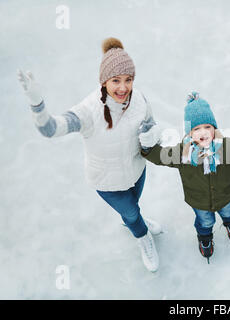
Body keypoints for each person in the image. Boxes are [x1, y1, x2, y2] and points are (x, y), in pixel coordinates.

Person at [17, 37, 162, 272]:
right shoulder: (88, 111)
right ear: (103, 81)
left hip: (137, 171)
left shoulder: (140, 99)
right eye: (116, 80)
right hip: (108, 182)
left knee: (133, 207)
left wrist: (152, 135)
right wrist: (37, 104)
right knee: (132, 213)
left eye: (128, 80)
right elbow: (50, 129)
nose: (123, 88)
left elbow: (152, 125)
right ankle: (142, 236)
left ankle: (135, 222)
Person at [138, 92, 230, 263]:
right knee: (205, 222)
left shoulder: (227, 146)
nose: (203, 132)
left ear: (215, 128)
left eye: (207, 127)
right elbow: (160, 156)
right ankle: (205, 237)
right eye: (196, 129)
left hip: (226, 195)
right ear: (189, 133)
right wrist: (147, 145)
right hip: (199, 201)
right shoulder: (182, 153)